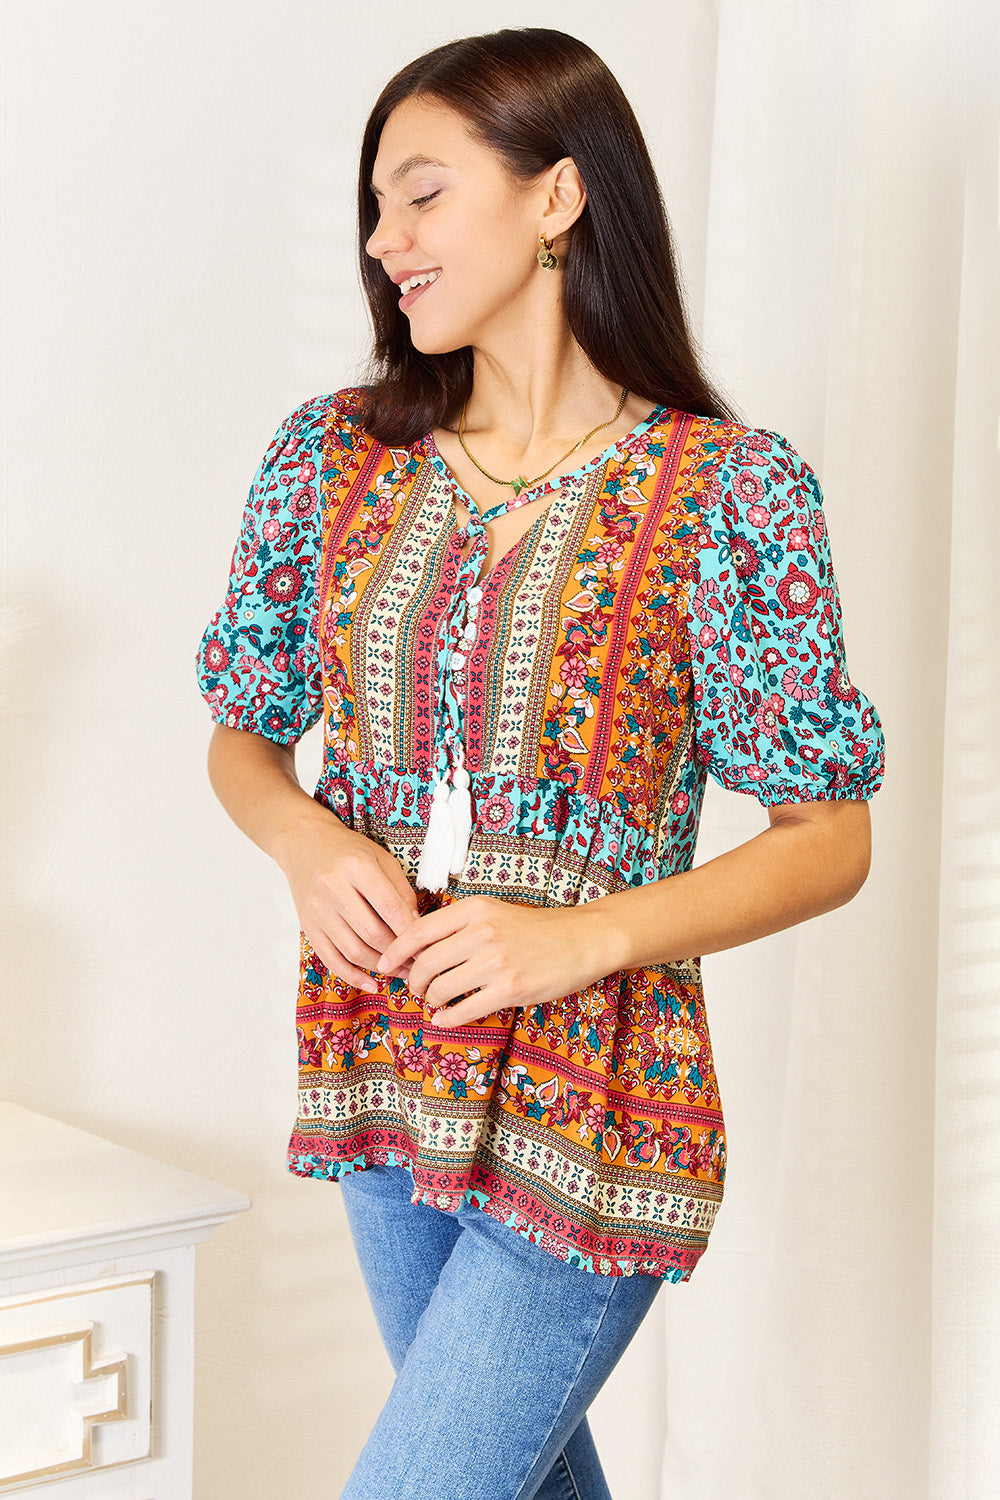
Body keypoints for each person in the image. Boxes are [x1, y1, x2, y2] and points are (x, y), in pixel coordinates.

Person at [195, 26, 885, 1500]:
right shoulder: (330, 459)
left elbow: (831, 833)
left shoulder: (729, 493)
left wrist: (578, 938)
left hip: (597, 1096)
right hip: (384, 1061)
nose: (387, 244)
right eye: (375, 210)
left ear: (560, 196)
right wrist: (310, 845)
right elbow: (242, 731)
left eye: (422, 195)